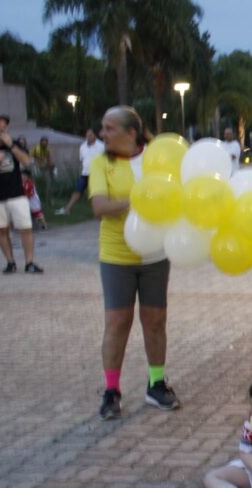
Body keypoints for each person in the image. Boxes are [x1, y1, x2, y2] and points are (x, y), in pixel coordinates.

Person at [91, 106, 179, 419]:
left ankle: (156, 384)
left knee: (155, 321)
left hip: (155, 255)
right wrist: (139, 199)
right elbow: (100, 207)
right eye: (103, 127)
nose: (103, 134)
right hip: (117, 256)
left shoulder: (157, 159)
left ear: (131, 133)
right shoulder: (102, 163)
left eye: (110, 128)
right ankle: (111, 391)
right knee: (118, 322)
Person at [0, 115, 43, 274]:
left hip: (16, 194)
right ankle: (10, 262)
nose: (2, 128)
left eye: (5, 126)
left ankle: (29, 263)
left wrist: (11, 146)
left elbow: (27, 162)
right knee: (2, 230)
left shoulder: (16, 144)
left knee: (26, 228)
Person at [59, 128, 106, 215]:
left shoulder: (102, 146)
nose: (88, 137)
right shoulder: (83, 147)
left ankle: (100, 211)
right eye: (87, 135)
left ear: (95, 135)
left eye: (90, 135)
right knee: (78, 190)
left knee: (96, 193)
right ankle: (67, 209)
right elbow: (82, 160)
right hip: (85, 173)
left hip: (97, 174)